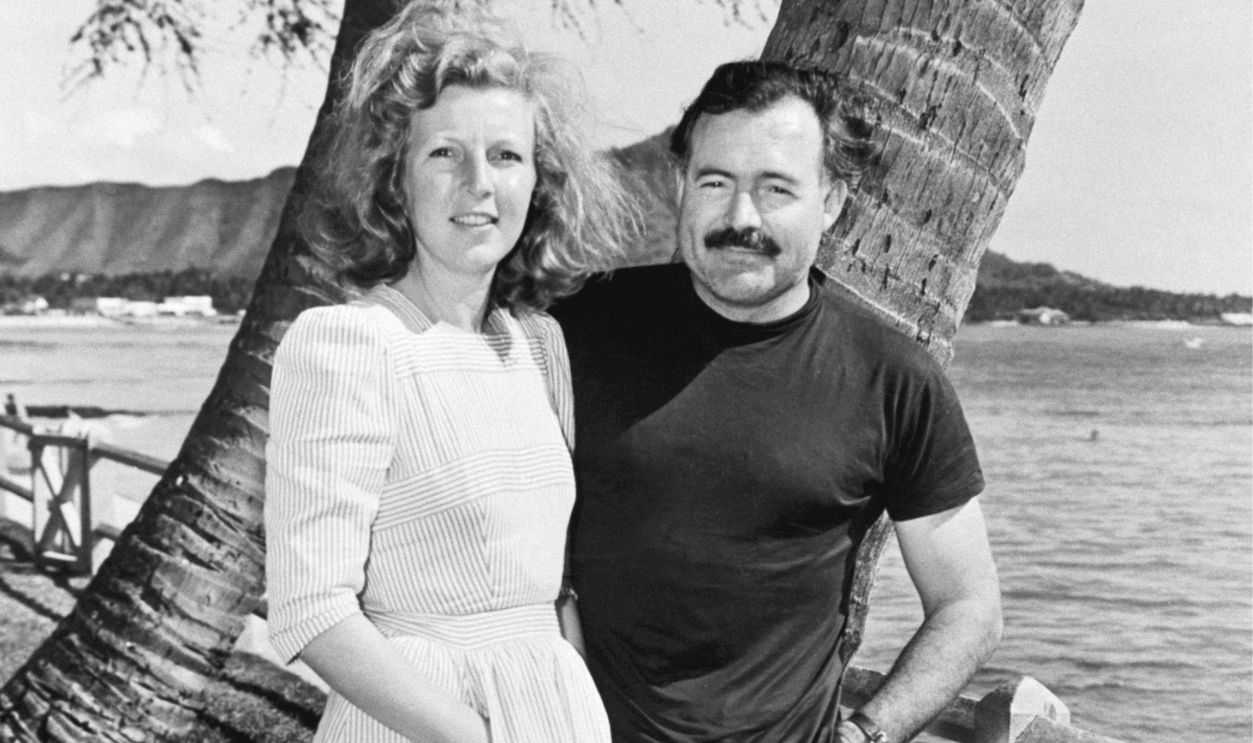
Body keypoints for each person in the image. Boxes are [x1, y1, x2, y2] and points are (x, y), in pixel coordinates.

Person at [553, 61, 1003, 742]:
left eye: (775, 189)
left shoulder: (890, 379)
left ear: (830, 202)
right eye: (715, 182)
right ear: (680, 185)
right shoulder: (577, 328)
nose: (740, 217)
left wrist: (867, 734)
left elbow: (967, 604)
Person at [263, 3, 638, 741]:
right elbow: (312, 608)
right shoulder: (347, 344)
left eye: (506, 156)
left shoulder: (536, 347)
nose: (478, 184)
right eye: (444, 154)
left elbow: (554, 592)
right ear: (394, 178)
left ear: (538, 182)